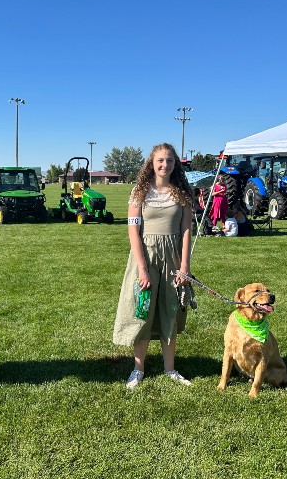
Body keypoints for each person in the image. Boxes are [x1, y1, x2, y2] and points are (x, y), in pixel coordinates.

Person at [113, 143, 193, 389]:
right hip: (144, 258)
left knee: (170, 311)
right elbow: (133, 231)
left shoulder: (182, 193)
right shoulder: (139, 192)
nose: (164, 165)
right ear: (152, 162)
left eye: (169, 160)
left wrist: (185, 266)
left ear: (174, 164)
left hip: (173, 259)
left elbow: (186, 230)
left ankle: (170, 369)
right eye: (160, 160)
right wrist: (143, 269)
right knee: (143, 311)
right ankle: (138, 369)